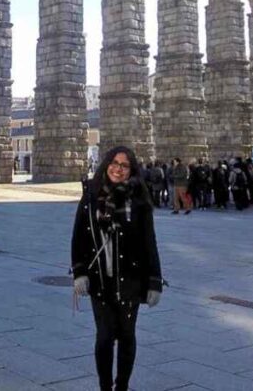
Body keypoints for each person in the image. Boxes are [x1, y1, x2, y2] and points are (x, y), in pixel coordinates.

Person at [71, 146, 162, 391]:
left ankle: (121, 386)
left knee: (127, 336)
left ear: (131, 170)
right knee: (104, 337)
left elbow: (148, 241)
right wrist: (79, 271)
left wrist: (155, 281)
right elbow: (79, 234)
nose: (118, 168)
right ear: (106, 164)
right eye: (114, 162)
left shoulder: (138, 199)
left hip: (130, 279)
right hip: (100, 279)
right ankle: (105, 387)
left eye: (124, 165)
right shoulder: (91, 194)